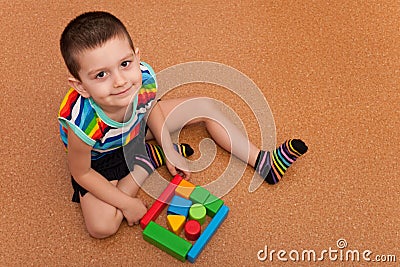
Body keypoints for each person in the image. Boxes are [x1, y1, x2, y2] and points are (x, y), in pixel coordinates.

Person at [58, 11, 308, 239]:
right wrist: (126, 202)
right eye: (101, 75)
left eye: (125, 64)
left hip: (136, 127)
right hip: (103, 156)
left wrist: (169, 147)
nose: (120, 81)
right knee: (102, 227)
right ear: (80, 86)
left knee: (206, 106)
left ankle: (264, 162)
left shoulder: (142, 77)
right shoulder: (82, 123)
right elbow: (82, 172)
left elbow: (150, 107)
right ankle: (145, 162)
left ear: (137, 57)